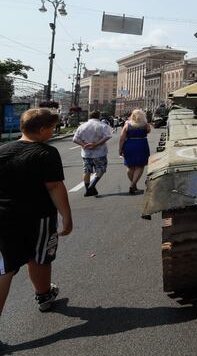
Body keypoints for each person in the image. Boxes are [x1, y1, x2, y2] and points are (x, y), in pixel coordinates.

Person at [0, 108, 73, 319]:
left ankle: (44, 294)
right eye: (52, 128)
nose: (53, 131)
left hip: (4, 216)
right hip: (37, 217)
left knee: (6, 267)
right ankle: (43, 296)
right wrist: (66, 217)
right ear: (42, 130)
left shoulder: (3, 150)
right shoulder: (46, 152)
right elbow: (55, 187)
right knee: (40, 258)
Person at [73, 111, 113, 197]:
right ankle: (92, 185)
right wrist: (96, 144)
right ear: (98, 117)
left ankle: (87, 190)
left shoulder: (82, 126)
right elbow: (108, 136)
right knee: (101, 169)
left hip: (86, 153)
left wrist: (84, 145)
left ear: (89, 116)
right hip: (100, 152)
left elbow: (75, 139)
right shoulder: (102, 125)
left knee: (87, 170)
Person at [119, 109, 151, 195]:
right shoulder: (146, 125)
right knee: (140, 166)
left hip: (129, 145)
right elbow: (148, 131)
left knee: (130, 166)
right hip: (142, 145)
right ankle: (133, 184)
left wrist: (120, 149)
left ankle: (133, 184)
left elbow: (122, 138)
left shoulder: (127, 125)